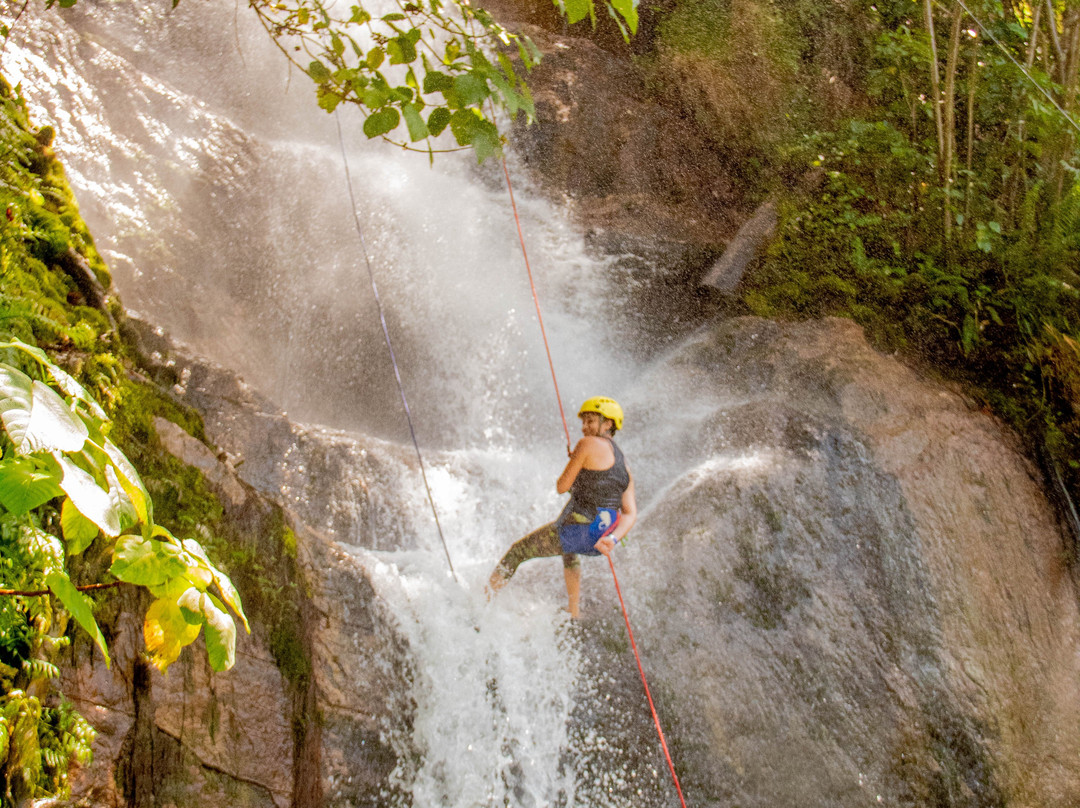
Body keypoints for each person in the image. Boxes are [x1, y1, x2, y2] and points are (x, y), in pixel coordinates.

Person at [488, 396, 637, 618]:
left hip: (581, 530)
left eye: (591, 421)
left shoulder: (586, 444)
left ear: (608, 424)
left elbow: (562, 486)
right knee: (569, 552)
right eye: (583, 422)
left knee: (517, 552)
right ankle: (573, 612)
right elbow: (630, 512)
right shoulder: (624, 464)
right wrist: (612, 540)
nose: (585, 427)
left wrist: (576, 462)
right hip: (602, 537)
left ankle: (484, 600)